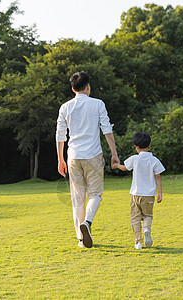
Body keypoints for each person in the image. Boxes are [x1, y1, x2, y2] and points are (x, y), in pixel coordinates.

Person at [56, 71, 119, 248]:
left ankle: (81, 239)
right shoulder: (98, 104)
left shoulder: (65, 107)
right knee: (95, 194)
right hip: (93, 156)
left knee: (77, 198)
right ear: (88, 87)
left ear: (72, 88)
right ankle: (88, 223)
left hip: (73, 156)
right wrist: (114, 154)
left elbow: (60, 135)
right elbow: (107, 130)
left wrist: (60, 159)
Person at [113, 132, 165, 250]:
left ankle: (138, 242)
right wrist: (160, 193)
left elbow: (124, 168)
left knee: (135, 218)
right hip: (149, 195)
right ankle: (147, 229)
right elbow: (158, 177)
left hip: (135, 194)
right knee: (147, 215)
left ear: (136, 146)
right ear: (149, 145)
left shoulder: (134, 159)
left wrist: (116, 165)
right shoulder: (154, 160)